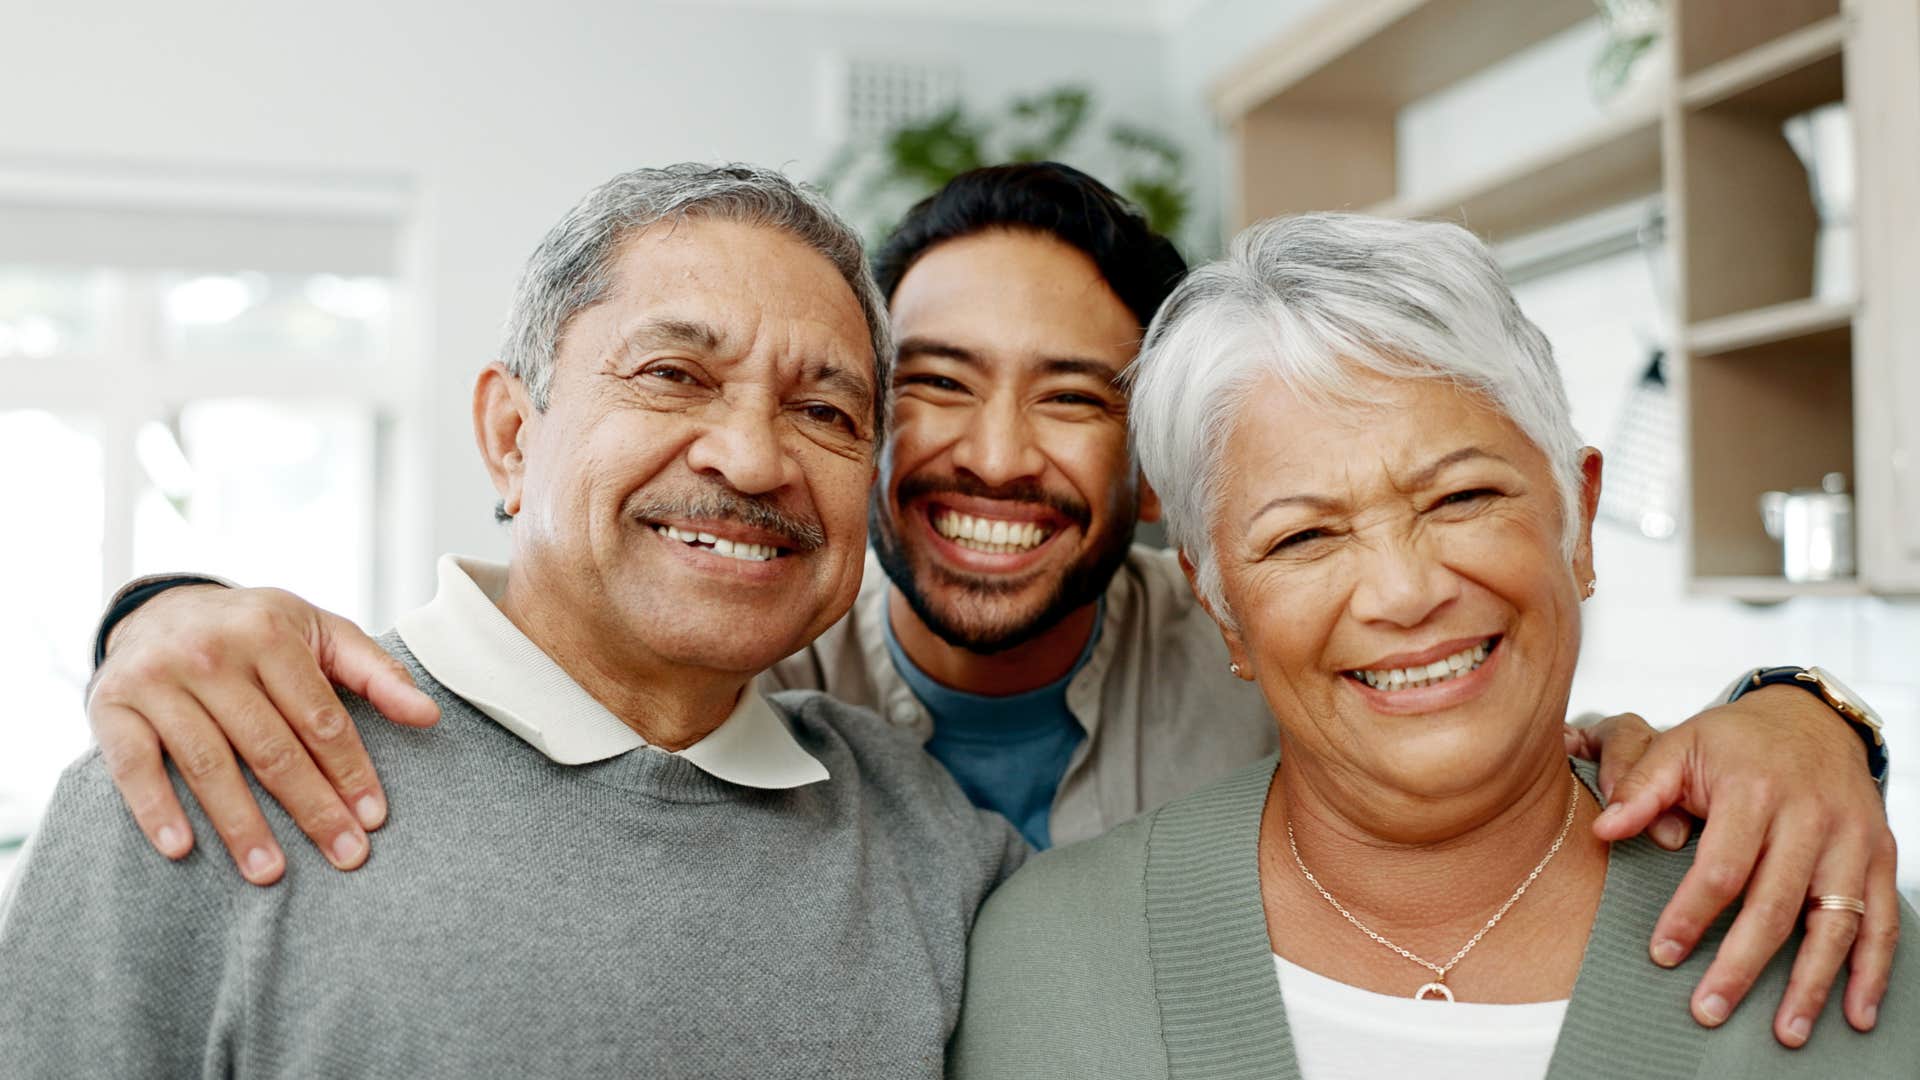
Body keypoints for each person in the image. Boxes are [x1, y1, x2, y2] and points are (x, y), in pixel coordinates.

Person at [85, 165, 1896, 1035]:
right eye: (928, 385)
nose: (994, 457)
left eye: (1081, 396)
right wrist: (159, 608)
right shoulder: (754, 630)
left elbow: (1496, 715)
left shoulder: (1252, 642)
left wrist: (1810, 719)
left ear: (1164, 508)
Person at [0, 164, 1027, 1077]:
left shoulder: (930, 843)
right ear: (509, 436)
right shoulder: (210, 768)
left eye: (826, 412)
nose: (755, 460)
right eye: (674, 376)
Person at [948, 213, 1915, 1078]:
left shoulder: (1831, 929)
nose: (1407, 594)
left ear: (1576, 518)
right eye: (1304, 536)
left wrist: (1806, 712)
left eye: (1463, 497)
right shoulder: (1044, 960)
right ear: (1221, 605)